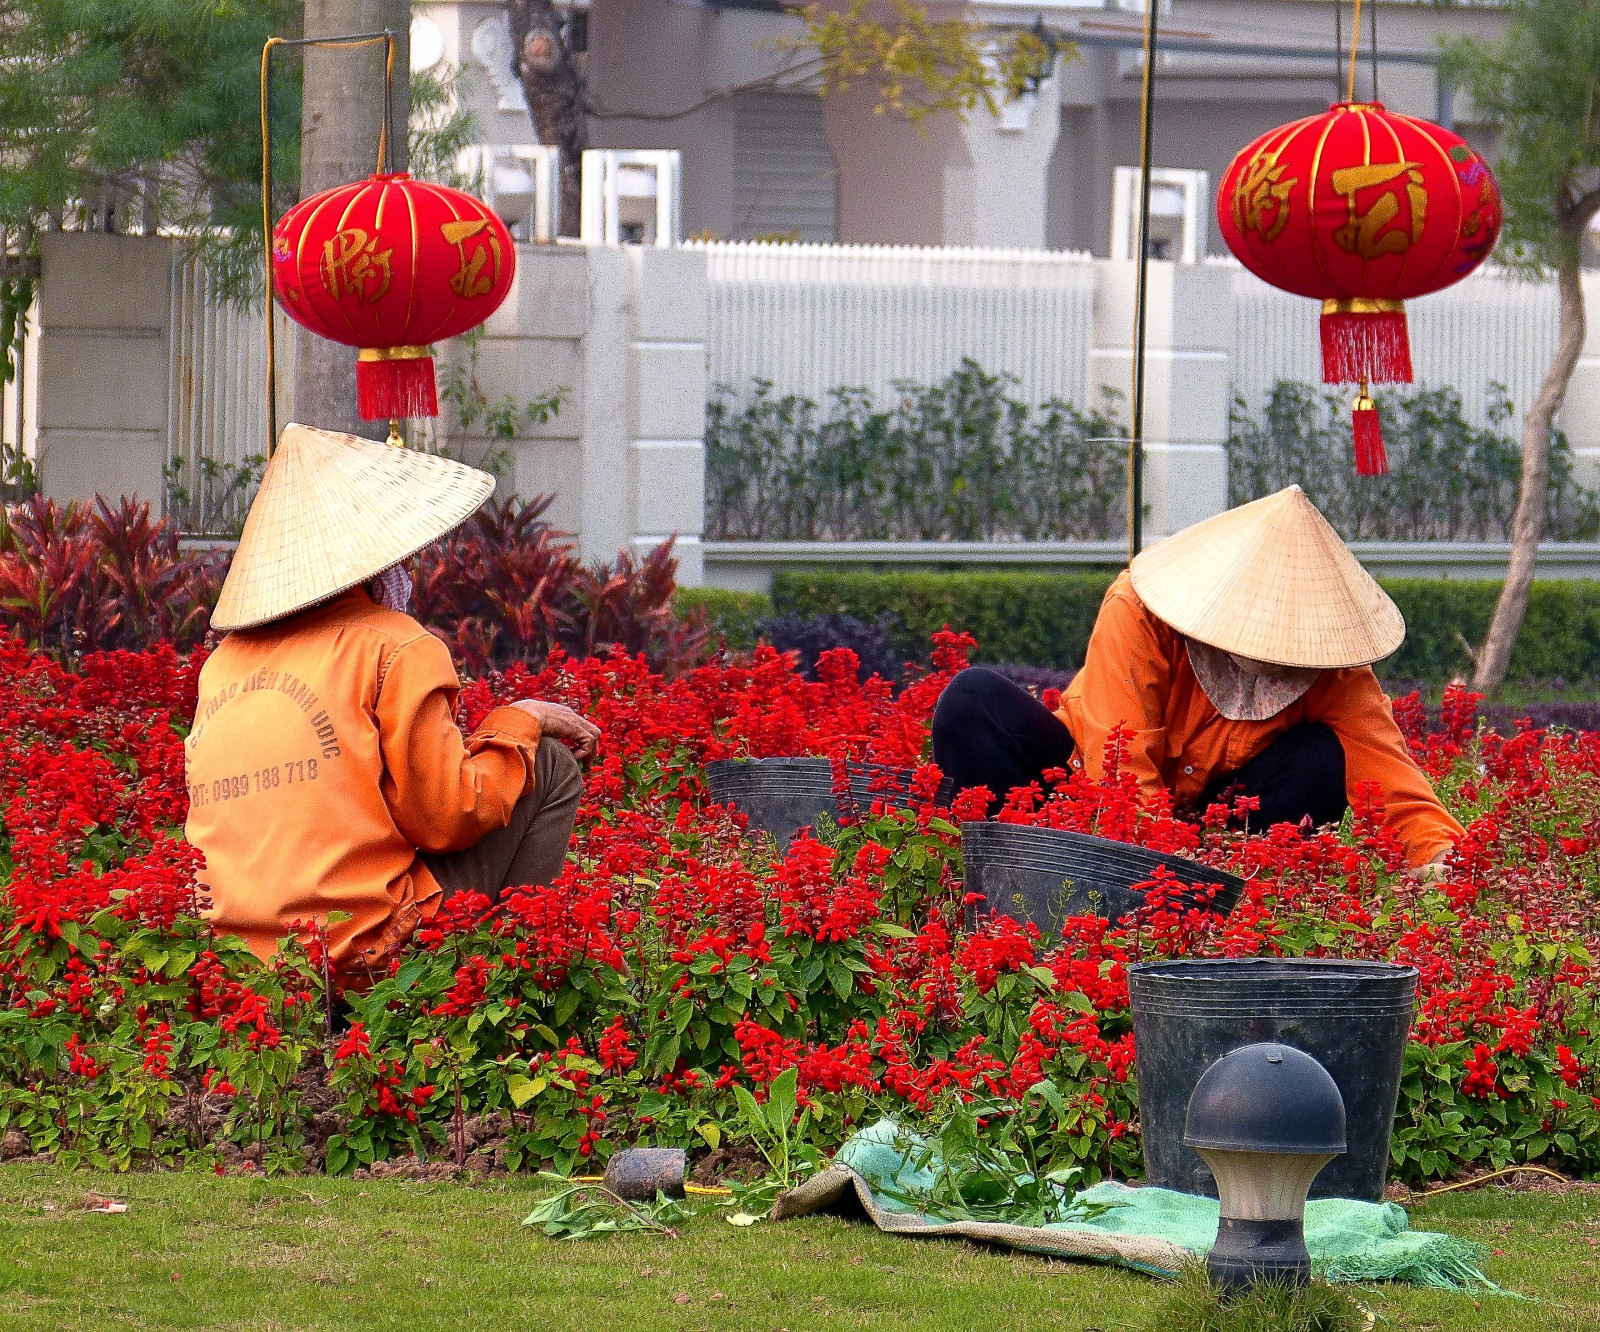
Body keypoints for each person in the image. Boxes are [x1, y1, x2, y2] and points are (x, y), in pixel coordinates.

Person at [185, 424, 600, 979]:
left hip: (240, 967)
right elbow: (447, 819)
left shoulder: (222, 665)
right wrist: (520, 720)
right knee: (547, 764)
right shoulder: (394, 644)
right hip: (363, 956)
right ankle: (516, 978)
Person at [932, 485, 1463, 871]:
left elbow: (1391, 778)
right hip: (1084, 796)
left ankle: (1223, 893)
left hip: (1215, 830)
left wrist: (1446, 865)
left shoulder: (1333, 668)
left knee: (1324, 759)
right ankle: (1006, 875)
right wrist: (1151, 868)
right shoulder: (1142, 610)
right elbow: (1119, 762)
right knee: (972, 701)